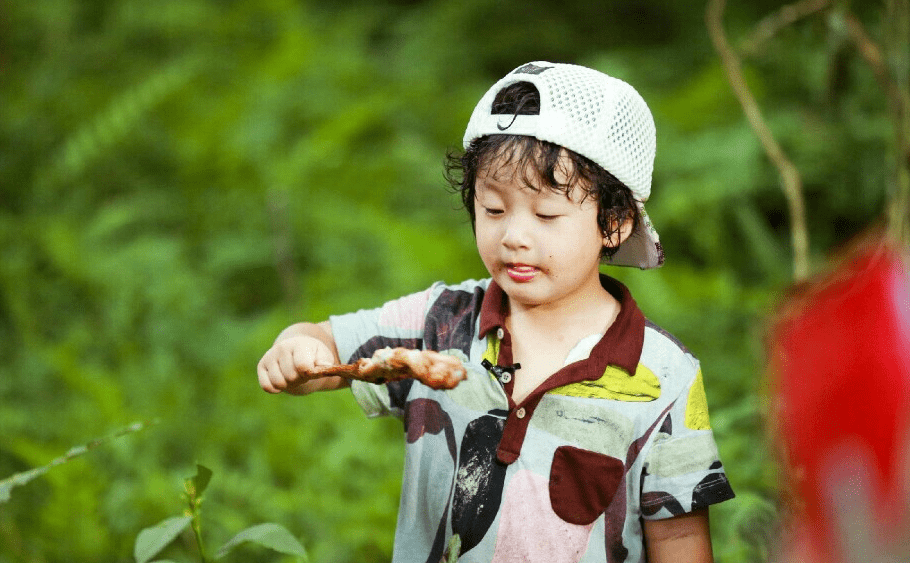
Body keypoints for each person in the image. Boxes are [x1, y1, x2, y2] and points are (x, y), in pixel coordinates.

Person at [257, 61, 735, 563]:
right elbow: (327, 348)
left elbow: (679, 538)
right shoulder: (440, 323)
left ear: (613, 223)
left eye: (546, 214)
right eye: (493, 209)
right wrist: (298, 351)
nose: (514, 237)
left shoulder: (664, 376)